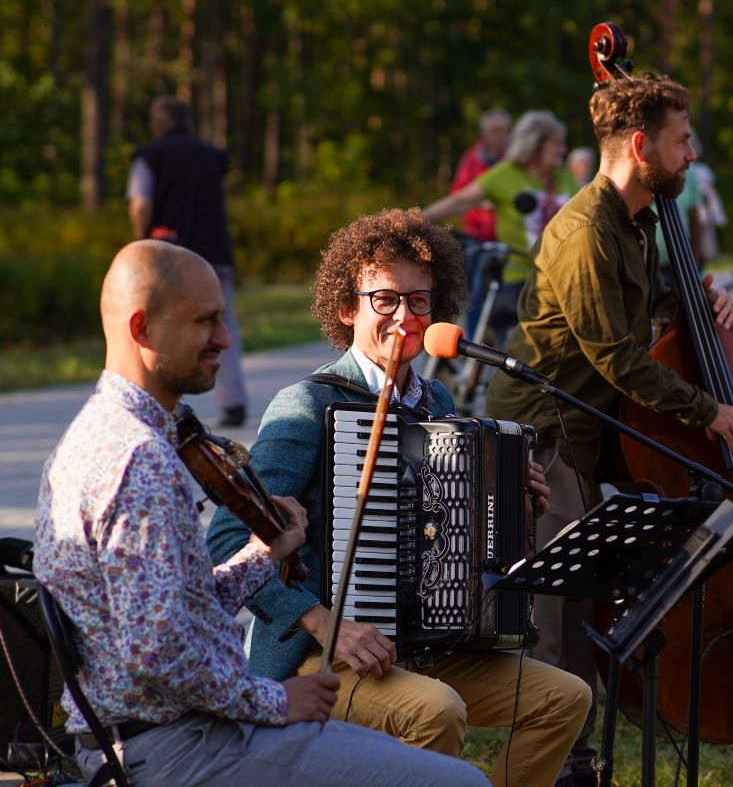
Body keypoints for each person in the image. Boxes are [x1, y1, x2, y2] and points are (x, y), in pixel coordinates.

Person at [34, 239, 486, 787]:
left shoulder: (111, 432)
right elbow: (157, 654)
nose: (224, 340)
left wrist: (262, 555)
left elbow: (175, 609)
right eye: (205, 321)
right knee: (459, 783)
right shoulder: (138, 460)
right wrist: (274, 700)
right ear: (142, 328)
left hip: (178, 729)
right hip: (177, 742)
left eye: (222, 319)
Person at [205, 208, 590, 787]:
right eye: (384, 299)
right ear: (347, 307)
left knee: (564, 698)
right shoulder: (308, 405)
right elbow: (230, 537)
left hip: (426, 645)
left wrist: (512, 511)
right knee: (435, 710)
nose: (404, 316)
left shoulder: (436, 402)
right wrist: (326, 622)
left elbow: (448, 534)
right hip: (322, 654)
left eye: (418, 300)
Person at [485, 73, 733, 787]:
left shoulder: (636, 222)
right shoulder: (583, 231)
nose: (691, 154)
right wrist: (708, 411)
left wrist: (697, 300)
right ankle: (546, 769)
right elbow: (616, 354)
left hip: (586, 434)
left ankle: (577, 761)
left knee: (582, 603)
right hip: (541, 438)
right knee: (553, 618)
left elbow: (642, 310)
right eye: (682, 140)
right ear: (642, 146)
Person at [127, 95, 248, 428]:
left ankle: (160, 403)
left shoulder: (149, 156)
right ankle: (233, 402)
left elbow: (140, 205)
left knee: (163, 325)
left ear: (156, 123)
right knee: (222, 326)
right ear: (187, 122)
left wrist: (141, 242)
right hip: (215, 254)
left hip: (170, 259)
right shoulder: (213, 155)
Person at [424, 110, 577, 323]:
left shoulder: (565, 178)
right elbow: (460, 200)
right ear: (536, 144)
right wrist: (417, 218)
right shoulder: (506, 173)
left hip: (564, 279)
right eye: (557, 144)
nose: (563, 150)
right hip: (521, 280)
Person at [452, 109, 512, 242]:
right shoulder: (471, 159)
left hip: (509, 236)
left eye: (505, 130)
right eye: (497, 130)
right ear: (484, 133)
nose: (502, 135)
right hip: (478, 235)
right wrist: (482, 202)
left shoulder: (515, 160)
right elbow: (458, 192)